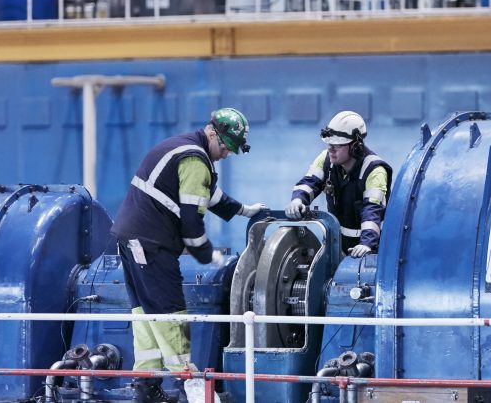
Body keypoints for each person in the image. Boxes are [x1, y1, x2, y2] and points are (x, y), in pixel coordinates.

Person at [111, 108, 267, 403]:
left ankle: (146, 387)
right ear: (212, 133)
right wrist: (210, 256)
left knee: (145, 314)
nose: (225, 154)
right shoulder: (195, 159)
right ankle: (193, 390)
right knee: (170, 313)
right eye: (224, 147)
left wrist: (244, 210)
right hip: (151, 243)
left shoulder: (185, 148)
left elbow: (211, 195)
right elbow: (192, 222)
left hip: (133, 239)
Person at [284, 111, 391, 257]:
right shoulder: (327, 159)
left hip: (368, 248)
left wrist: (367, 244)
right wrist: (298, 199)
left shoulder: (374, 171)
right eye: (329, 144)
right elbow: (310, 181)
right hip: (336, 244)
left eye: (337, 145)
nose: (330, 149)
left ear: (355, 147)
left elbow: (372, 211)